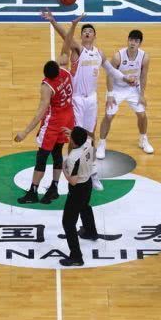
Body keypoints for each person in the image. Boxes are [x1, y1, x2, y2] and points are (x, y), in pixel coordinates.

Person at [41, 10, 136, 191]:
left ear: (94, 35)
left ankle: (92, 173)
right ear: (82, 36)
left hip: (91, 99)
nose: (87, 32)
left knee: (91, 137)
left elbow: (111, 71)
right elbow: (65, 36)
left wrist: (126, 78)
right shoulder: (78, 50)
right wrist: (54, 21)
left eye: (90, 31)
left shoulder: (99, 53)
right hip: (76, 99)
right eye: (84, 31)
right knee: (74, 137)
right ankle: (70, 171)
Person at [14, 16, 83, 204]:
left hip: (54, 122)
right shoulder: (65, 69)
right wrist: (73, 26)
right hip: (69, 117)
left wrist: (25, 132)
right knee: (58, 153)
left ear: (46, 74)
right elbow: (66, 45)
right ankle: (53, 188)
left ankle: (33, 192)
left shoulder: (47, 86)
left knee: (42, 157)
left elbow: (41, 112)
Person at [96, 29, 154, 158]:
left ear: (140, 43)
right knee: (109, 116)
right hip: (117, 88)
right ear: (128, 40)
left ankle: (143, 139)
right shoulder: (118, 56)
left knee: (142, 115)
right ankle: (102, 143)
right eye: (131, 40)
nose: (133, 43)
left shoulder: (144, 57)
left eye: (136, 41)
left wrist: (142, 95)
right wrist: (110, 94)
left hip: (134, 89)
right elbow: (110, 75)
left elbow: (144, 76)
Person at [60, 126, 99, 267]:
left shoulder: (73, 158)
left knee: (68, 223)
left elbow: (73, 181)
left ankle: (76, 256)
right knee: (85, 206)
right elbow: (90, 139)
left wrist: (63, 168)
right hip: (87, 183)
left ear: (73, 141)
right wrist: (74, 134)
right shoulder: (88, 143)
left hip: (77, 189)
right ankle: (91, 232)